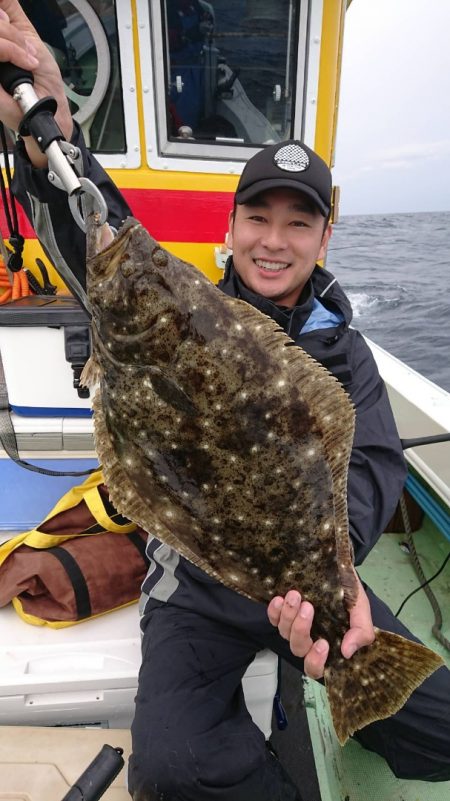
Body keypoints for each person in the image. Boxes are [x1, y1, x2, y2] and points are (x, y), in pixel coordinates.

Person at [1, 3, 449, 799]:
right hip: (198, 587)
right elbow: (97, 228)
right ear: (233, 223)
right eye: (257, 217)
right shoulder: (182, 311)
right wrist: (56, 126)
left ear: (325, 234)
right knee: (171, 770)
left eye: (297, 223)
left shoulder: (346, 354)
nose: (274, 241)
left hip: (311, 577)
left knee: (443, 721)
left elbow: (374, 465)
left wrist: (329, 580)